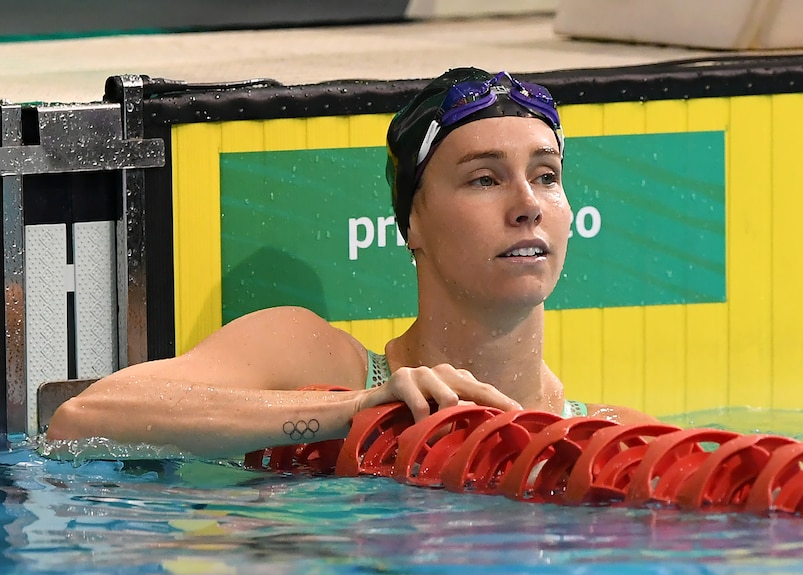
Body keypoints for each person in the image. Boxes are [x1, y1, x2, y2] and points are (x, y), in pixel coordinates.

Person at [47, 67, 656, 458]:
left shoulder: (609, 438)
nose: (527, 205)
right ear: (411, 220)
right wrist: (354, 412)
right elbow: (81, 418)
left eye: (546, 177)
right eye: (484, 179)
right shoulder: (312, 358)